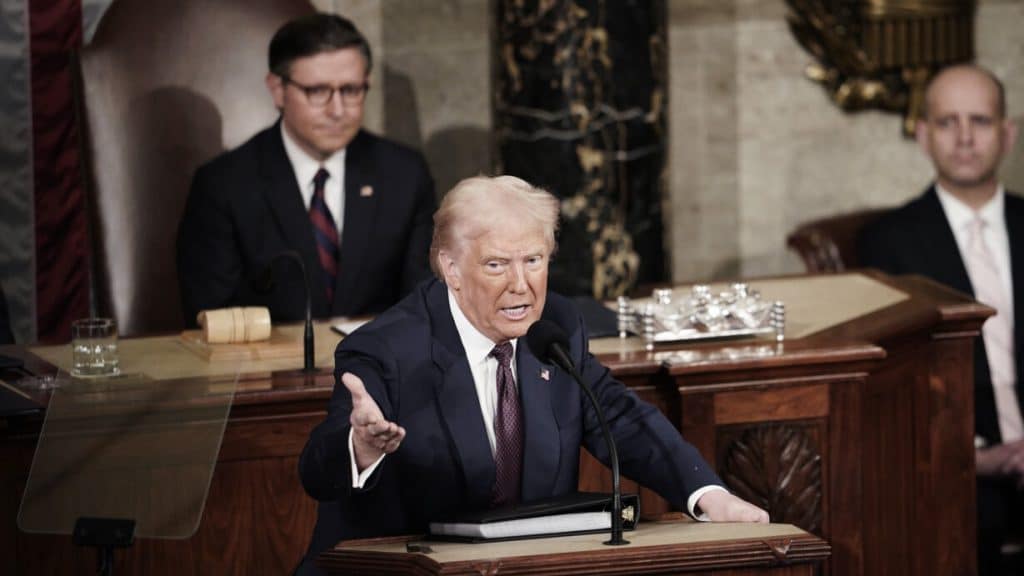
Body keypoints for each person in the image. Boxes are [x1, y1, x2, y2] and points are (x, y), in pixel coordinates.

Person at [296, 175, 768, 573]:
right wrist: (359, 448)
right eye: (497, 264)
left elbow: (622, 419)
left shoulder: (555, 329)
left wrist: (707, 495)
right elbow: (318, 469)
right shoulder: (387, 348)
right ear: (451, 268)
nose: (521, 285)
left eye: (534, 260)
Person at [859, 64, 1021, 575]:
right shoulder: (886, 245)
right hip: (952, 465)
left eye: (981, 120)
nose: (966, 137)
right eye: (948, 122)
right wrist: (976, 456)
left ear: (1007, 134)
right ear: (924, 136)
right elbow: (884, 388)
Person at [177, 13, 435, 326]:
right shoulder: (224, 185)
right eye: (317, 91)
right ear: (277, 90)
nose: (337, 110)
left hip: (381, 368)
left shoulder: (404, 174)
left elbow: (424, 304)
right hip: (265, 370)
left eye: (351, 90)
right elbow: (214, 318)